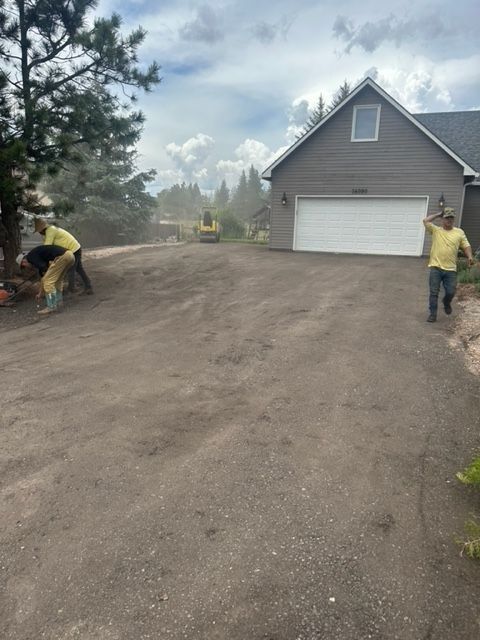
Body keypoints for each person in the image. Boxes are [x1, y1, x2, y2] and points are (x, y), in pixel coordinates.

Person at [423, 206, 474, 323]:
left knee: (451, 291)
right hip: (436, 267)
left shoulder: (459, 232)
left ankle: (446, 302)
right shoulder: (436, 230)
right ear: (443, 219)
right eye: (447, 218)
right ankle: (433, 314)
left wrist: (470, 256)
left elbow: (466, 245)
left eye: (451, 218)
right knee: (434, 292)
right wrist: (438, 214)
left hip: (450, 269)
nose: (449, 220)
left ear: (453, 219)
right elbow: (425, 221)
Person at [34, 218, 93, 294]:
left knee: (71, 269)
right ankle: (88, 286)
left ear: (41, 229)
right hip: (73, 248)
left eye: (39, 231)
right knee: (78, 269)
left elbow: (47, 247)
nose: (39, 233)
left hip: (73, 249)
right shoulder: (48, 232)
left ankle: (71, 289)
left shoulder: (51, 230)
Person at [16, 245, 75, 315]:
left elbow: (44, 271)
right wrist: (40, 293)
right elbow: (43, 273)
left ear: (23, 261)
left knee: (48, 282)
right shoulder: (37, 255)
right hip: (70, 255)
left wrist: (41, 292)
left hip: (62, 257)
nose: (26, 268)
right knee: (58, 280)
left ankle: (51, 306)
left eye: (23, 266)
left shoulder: (30, 257)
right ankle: (58, 302)